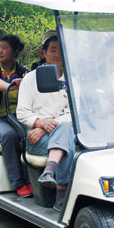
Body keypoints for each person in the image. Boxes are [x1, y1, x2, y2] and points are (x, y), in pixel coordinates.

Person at [17, 34, 74, 211]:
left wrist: (45, 127)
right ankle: (61, 195)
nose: (57, 54)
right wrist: (39, 123)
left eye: (60, 50)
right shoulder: (30, 79)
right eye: (53, 50)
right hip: (35, 138)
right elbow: (22, 113)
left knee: (67, 131)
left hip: (54, 132)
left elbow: (74, 114)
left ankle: (50, 170)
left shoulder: (72, 80)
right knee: (67, 142)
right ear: (44, 53)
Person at [0, 35, 31, 197]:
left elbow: (33, 85)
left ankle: (35, 180)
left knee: (34, 134)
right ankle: (19, 183)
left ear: (15, 51)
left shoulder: (24, 71)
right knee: (9, 135)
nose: (0, 51)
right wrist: (12, 86)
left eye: (4, 48)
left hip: (20, 117)